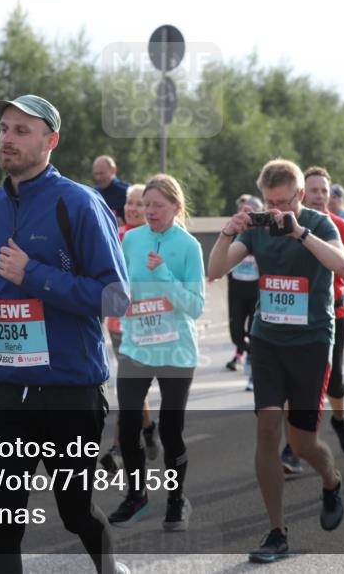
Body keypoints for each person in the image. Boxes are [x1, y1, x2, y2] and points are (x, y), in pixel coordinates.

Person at [0, 95, 132, 574]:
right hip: (8, 384)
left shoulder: (79, 202)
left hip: (69, 387)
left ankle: (109, 568)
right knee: (5, 518)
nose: (7, 139)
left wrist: (32, 273)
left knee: (76, 513)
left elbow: (115, 298)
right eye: (4, 129)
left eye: (21, 130)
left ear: (51, 140)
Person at [208, 158, 344, 564]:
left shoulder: (320, 224)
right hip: (268, 340)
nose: (276, 211)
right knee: (268, 429)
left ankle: (331, 479)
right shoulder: (259, 228)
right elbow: (215, 270)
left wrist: (299, 232)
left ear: (300, 195)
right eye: (270, 203)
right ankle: (276, 532)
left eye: (284, 203)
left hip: (311, 343)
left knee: (302, 443)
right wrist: (228, 232)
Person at [107, 174, 205, 531]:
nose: (149, 211)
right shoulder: (131, 239)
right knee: (129, 423)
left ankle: (177, 500)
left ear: (176, 207)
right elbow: (118, 286)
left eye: (157, 206)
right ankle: (136, 496)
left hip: (176, 350)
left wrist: (163, 275)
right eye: (145, 204)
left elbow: (195, 306)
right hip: (136, 346)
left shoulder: (189, 246)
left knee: (172, 432)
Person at [281, 167, 344, 475]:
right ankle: (293, 447)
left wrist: (326, 261)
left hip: (331, 314)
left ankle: (339, 420)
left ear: (330, 195)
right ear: (302, 193)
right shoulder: (287, 224)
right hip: (294, 314)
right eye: (313, 190)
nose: (319, 196)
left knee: (333, 382)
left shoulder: (338, 225)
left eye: (323, 191)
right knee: (295, 384)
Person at [99, 183, 159, 476]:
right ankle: (147, 427)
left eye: (140, 204)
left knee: (128, 387)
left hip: (145, 326)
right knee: (131, 387)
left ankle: (118, 448)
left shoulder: (156, 240)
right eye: (130, 203)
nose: (133, 209)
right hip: (118, 325)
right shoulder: (114, 236)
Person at [226, 194, 263, 391]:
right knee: (236, 335)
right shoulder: (234, 230)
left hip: (256, 292)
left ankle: (254, 374)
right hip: (236, 291)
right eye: (246, 210)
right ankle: (249, 352)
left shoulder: (265, 233)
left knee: (254, 333)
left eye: (254, 211)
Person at [93, 154, 131, 226]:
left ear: (113, 170)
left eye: (101, 173)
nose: (98, 178)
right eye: (96, 174)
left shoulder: (128, 192)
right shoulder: (93, 193)